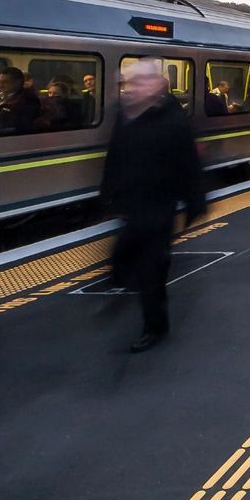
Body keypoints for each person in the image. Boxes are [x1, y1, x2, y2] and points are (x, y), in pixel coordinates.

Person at [100, 63, 206, 354]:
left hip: (160, 205)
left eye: (141, 82)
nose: (134, 88)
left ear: (158, 84)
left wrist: (196, 201)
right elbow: (115, 155)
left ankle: (154, 326)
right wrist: (107, 196)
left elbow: (189, 163)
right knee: (122, 255)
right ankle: (122, 286)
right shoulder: (125, 114)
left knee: (153, 270)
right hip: (131, 205)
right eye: (131, 83)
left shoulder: (173, 118)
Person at [0, 66, 40, 135]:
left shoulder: (28, 101)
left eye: (5, 82)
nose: (0, 85)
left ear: (17, 82)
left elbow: (8, 124)